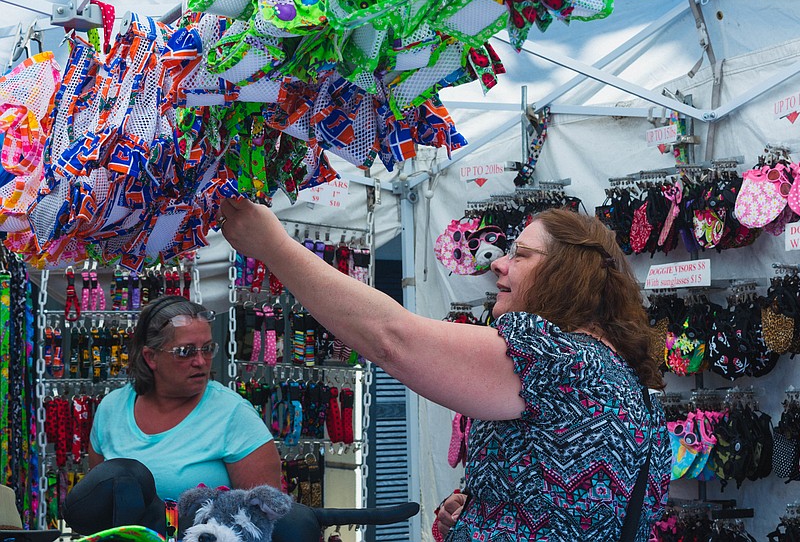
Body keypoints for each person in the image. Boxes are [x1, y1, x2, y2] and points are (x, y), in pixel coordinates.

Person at [219, 199, 671, 541]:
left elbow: (392, 339)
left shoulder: (562, 362)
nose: (498, 262)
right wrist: (484, 508)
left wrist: (273, 246)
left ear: (567, 275)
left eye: (521, 255)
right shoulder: (620, 375)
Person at [87, 295, 282, 501]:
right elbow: (99, 501)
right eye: (185, 352)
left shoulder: (233, 414)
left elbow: (265, 515)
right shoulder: (112, 408)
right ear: (150, 357)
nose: (200, 361)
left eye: (207, 349)